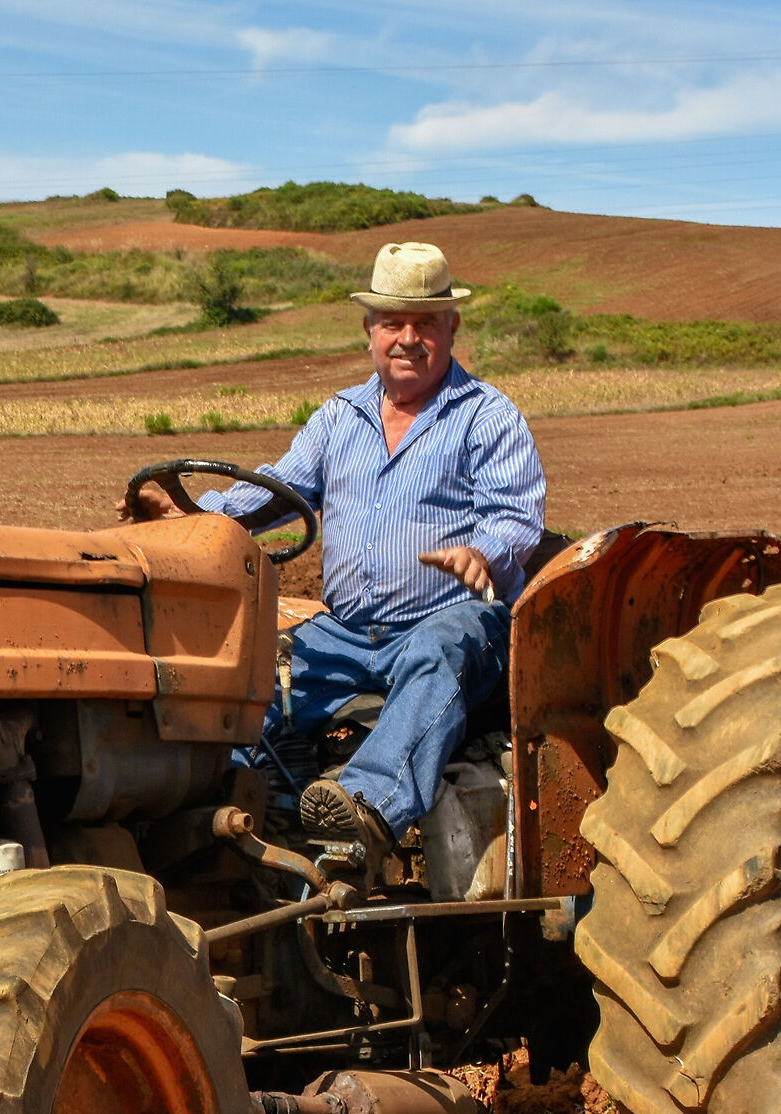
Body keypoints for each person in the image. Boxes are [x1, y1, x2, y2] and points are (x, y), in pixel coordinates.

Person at [132, 240, 547, 872]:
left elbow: (517, 519)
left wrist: (480, 551)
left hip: (455, 622)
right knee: (251, 678)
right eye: (393, 323)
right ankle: (266, 818)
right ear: (370, 330)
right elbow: (277, 490)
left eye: (425, 323)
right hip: (349, 631)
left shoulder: (487, 417)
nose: (407, 338)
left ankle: (365, 810)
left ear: (451, 327)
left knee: (443, 648)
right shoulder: (340, 417)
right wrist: (192, 514)